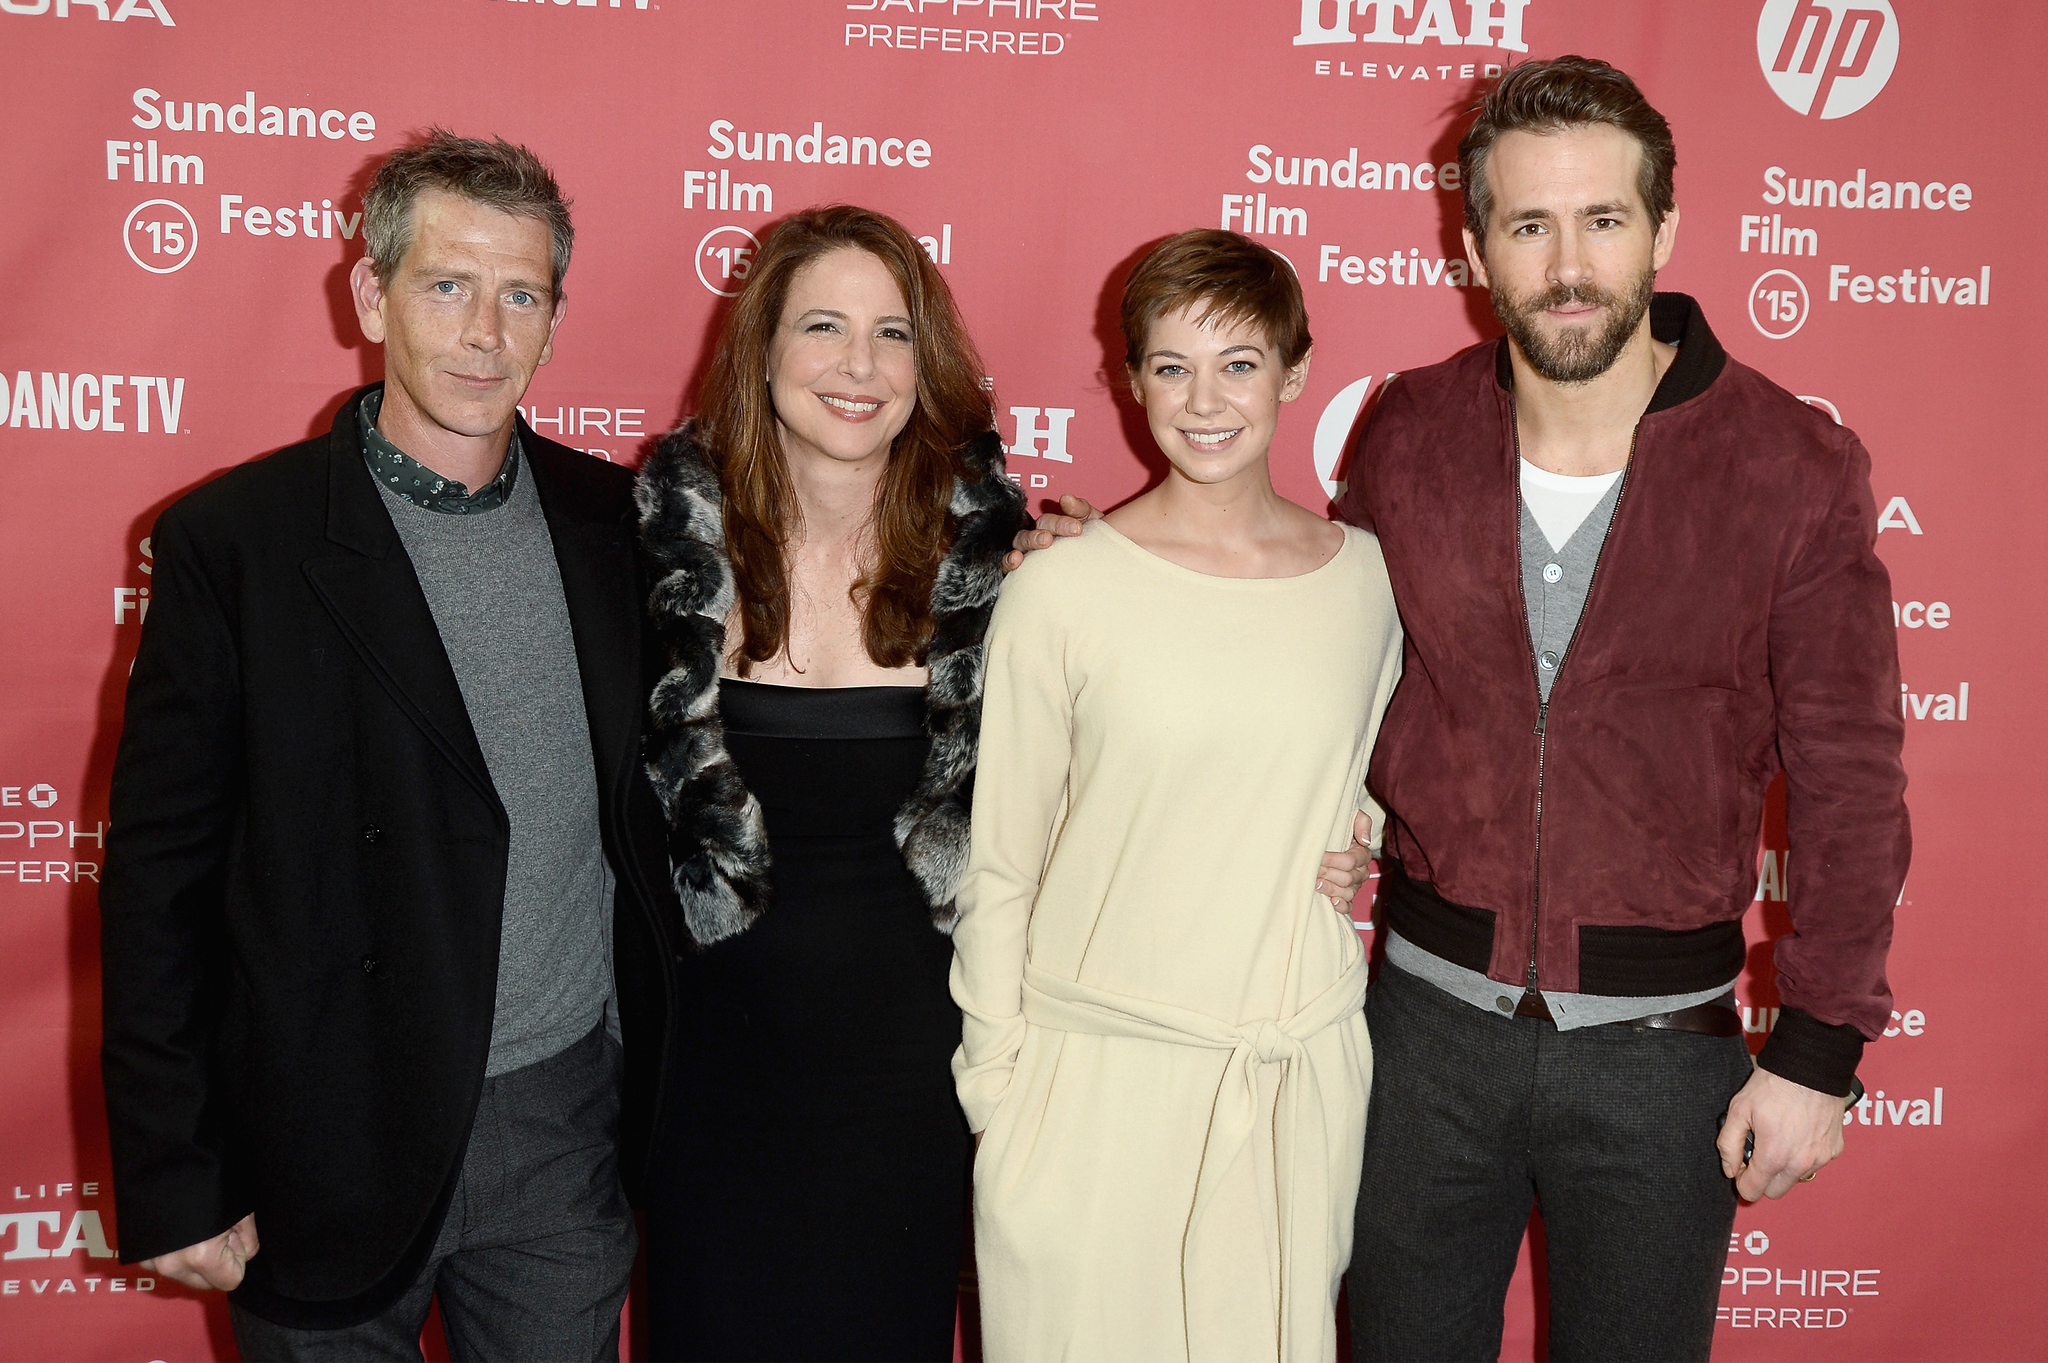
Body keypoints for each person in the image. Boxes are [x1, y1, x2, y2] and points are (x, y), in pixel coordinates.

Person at [1017, 57, 1908, 1362]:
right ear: (1474, 242)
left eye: (1603, 220)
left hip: (1664, 1061)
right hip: (1417, 1036)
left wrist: (1820, 1049)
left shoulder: (1790, 464)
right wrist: (1133, 566)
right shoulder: (1411, 430)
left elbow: (1850, 778)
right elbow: (1317, 618)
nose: (1567, 263)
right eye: (1528, 224)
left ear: (1664, 229)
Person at [99, 132, 679, 1360]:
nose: (484, 332)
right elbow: (160, 880)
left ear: (554, 319)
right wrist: (173, 1167)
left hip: (563, 1129)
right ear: (370, 295)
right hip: (325, 1131)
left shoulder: (613, 523)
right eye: (446, 284)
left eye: (520, 294)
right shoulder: (235, 544)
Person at [955, 229, 1403, 1363]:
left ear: (1294, 373)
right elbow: (1000, 863)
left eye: (1239, 363)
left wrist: (1358, 838)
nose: (1204, 401)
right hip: (1088, 1095)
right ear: (1129, 379)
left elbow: (1366, 772)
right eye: (1169, 366)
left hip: (1287, 1086)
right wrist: (999, 1093)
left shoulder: (1365, 581)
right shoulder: (1062, 590)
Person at [633, 205, 1026, 1363]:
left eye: (892, 334)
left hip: (910, 1080)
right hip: (708, 1079)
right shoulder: (653, 562)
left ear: (928, 364)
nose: (858, 366)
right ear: (761, 352)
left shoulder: (1008, 578)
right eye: (822, 326)